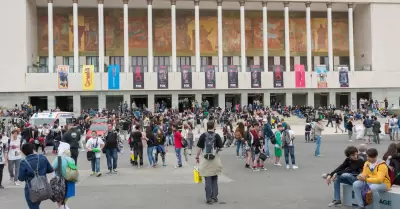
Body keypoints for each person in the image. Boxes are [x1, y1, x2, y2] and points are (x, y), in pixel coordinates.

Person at [18, 143, 54, 209]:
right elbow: (50, 170)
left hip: (31, 189)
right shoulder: (42, 157)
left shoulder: (23, 162)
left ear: (23, 152)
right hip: (43, 187)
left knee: (33, 206)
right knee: (36, 205)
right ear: (33, 149)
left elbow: (21, 178)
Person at [195, 121, 223, 205]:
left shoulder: (203, 136)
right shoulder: (217, 136)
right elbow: (221, 148)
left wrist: (197, 157)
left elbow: (199, 148)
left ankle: (208, 198)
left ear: (206, 126)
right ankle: (214, 196)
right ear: (214, 127)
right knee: (214, 177)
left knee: (207, 178)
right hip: (215, 159)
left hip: (205, 159)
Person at [52, 142, 76, 209]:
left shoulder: (58, 159)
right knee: (64, 201)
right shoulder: (71, 159)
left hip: (60, 182)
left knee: (60, 202)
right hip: (70, 181)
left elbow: (52, 168)